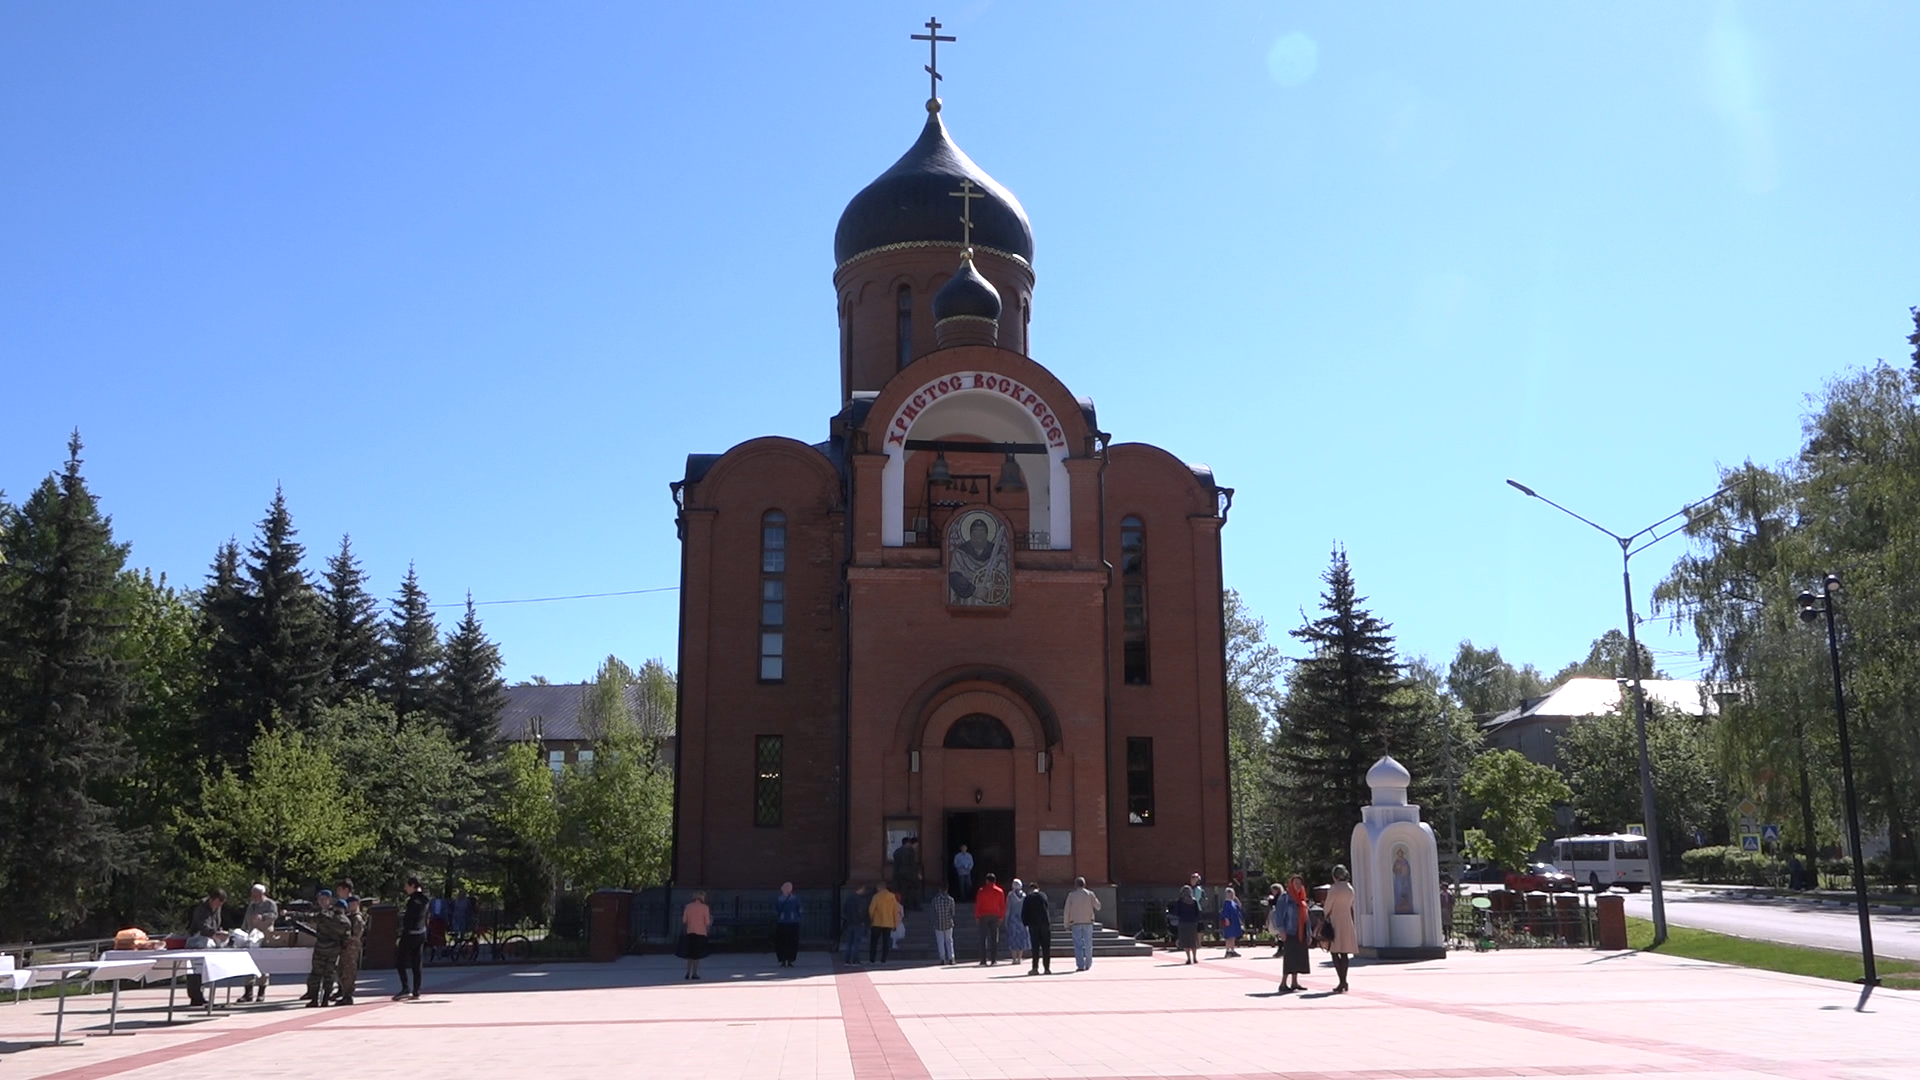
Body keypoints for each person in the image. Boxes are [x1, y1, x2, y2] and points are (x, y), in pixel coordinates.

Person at [183, 888, 229, 1007]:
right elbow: (202, 926)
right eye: (218, 903)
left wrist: (219, 932)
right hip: (197, 940)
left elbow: (216, 923)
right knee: (195, 970)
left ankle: (200, 995)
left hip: (209, 939)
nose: (219, 906)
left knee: (204, 970)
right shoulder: (201, 908)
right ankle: (195, 996)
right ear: (212, 899)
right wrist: (214, 934)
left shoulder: (217, 907)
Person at [307, 890, 350, 1008]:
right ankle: (325, 999)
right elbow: (346, 938)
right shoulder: (346, 922)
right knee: (329, 975)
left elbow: (309, 918)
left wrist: (290, 914)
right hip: (334, 951)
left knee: (316, 974)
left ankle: (314, 1000)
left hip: (321, 949)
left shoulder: (324, 916)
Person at [239, 883, 276, 1002]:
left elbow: (274, 916)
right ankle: (248, 993)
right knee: (248, 963)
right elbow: (246, 919)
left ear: (262, 894)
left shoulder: (270, 904)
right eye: (252, 894)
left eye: (256, 895)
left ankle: (261, 992)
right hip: (251, 937)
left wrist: (263, 917)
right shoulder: (251, 905)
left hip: (265, 936)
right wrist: (243, 931)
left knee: (263, 965)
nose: (253, 897)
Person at [393, 875, 428, 1001]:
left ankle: (405, 987)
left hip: (410, 934)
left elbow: (409, 920)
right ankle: (416, 990)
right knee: (417, 962)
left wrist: (401, 933)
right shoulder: (424, 899)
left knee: (400, 961)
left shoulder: (413, 901)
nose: (405, 888)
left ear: (413, 886)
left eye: (407, 886)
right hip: (421, 933)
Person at [1325, 864, 1358, 993]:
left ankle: (1341, 981)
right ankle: (1344, 980)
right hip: (1347, 920)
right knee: (1344, 952)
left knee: (1334, 951)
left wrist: (1326, 914)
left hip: (1335, 920)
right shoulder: (1350, 888)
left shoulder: (1334, 889)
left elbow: (1328, 906)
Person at [332, 879, 365, 1005]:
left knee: (348, 972)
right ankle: (344, 993)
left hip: (351, 948)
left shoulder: (356, 917)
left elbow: (355, 935)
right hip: (345, 947)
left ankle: (347, 996)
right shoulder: (350, 915)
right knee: (342, 971)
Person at [1277, 876, 1309, 992]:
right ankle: (1283, 983)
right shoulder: (1285, 897)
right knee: (1289, 958)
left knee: (1297, 957)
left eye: (1300, 883)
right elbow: (1279, 915)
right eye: (1296, 883)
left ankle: (1294, 982)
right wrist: (1281, 930)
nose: (1298, 885)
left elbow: (1306, 917)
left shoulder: (1301, 898)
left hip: (1300, 932)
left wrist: (1308, 933)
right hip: (1289, 931)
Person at [1064, 876, 1102, 972]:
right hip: (1088, 921)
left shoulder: (1071, 895)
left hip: (1075, 922)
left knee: (1078, 944)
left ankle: (1080, 965)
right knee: (1088, 943)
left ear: (1075, 885)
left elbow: (1067, 910)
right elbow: (1098, 906)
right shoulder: (1090, 894)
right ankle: (1088, 963)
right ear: (1084, 884)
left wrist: (1066, 924)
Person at [1021, 881, 1052, 975]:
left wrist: (1025, 923)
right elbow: (1046, 908)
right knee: (1046, 947)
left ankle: (1035, 968)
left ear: (1030, 889)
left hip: (1033, 925)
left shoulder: (1028, 898)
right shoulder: (1043, 896)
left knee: (1035, 947)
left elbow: (1024, 912)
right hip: (1045, 924)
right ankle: (1047, 968)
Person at [974, 872, 1006, 964]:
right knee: (994, 938)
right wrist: (1001, 916)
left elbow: (978, 904)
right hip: (995, 916)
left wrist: (977, 916)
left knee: (983, 938)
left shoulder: (981, 891)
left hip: (983, 916)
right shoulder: (999, 891)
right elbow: (1002, 905)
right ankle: (993, 960)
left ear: (987, 880)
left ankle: (983, 960)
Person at [867, 881, 901, 964]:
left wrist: (872, 918)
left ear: (879, 888)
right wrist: (895, 923)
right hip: (888, 923)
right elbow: (895, 911)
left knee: (874, 942)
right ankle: (883, 959)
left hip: (877, 922)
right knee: (885, 942)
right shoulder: (892, 896)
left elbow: (871, 909)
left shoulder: (876, 897)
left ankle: (872, 958)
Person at [682, 890, 712, 980]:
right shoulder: (705, 908)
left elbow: (684, 920)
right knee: (697, 954)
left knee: (690, 953)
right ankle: (694, 973)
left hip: (690, 931)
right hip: (700, 932)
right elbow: (707, 922)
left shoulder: (688, 907)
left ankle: (688, 972)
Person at [773, 882, 802, 968]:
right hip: (792, 922)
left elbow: (776, 910)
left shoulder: (780, 899)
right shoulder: (795, 899)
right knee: (791, 942)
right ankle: (789, 959)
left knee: (783, 942)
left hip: (783, 922)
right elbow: (799, 910)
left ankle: (784, 959)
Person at [840, 884, 870, 965]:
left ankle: (847, 960)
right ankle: (855, 960)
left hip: (849, 923)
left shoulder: (849, 898)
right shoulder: (860, 899)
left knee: (849, 943)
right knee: (857, 943)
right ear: (860, 889)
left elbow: (844, 910)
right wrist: (863, 921)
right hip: (858, 923)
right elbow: (861, 912)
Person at [1003, 879, 1031, 966]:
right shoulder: (1024, 895)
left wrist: (1006, 920)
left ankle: (1014, 958)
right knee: (1021, 939)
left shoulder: (1010, 895)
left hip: (1013, 920)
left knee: (1013, 939)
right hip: (1022, 920)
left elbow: (1008, 909)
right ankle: (1019, 958)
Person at [1173, 885, 1201, 965]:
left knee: (1185, 941)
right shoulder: (1194, 901)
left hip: (1183, 923)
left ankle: (1188, 958)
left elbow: (1177, 912)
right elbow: (1197, 913)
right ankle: (1195, 957)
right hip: (1192, 923)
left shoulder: (1180, 901)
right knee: (1193, 941)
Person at [930, 883, 957, 965]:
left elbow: (933, 912)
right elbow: (953, 912)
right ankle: (951, 958)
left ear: (939, 889)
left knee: (940, 942)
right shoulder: (951, 900)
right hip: (948, 923)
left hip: (938, 923)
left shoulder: (935, 900)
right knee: (949, 941)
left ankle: (942, 959)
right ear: (947, 889)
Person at [1219, 886, 1243, 958]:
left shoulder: (1233, 902)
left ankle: (1232, 950)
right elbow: (1225, 912)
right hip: (1229, 922)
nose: (1233, 895)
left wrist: (1236, 899)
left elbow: (1239, 906)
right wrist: (1226, 919)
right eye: (1232, 894)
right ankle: (1228, 950)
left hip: (1234, 921)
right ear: (1228, 894)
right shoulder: (1226, 903)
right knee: (1228, 936)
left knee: (1233, 936)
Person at [1266, 883, 1288, 958]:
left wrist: (1270, 900)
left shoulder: (1281, 897)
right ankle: (1281, 949)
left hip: (1280, 916)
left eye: (1273, 890)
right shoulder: (1279, 897)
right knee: (1279, 934)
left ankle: (1281, 949)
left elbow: (1274, 904)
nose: (1272, 892)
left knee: (1280, 933)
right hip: (1278, 916)